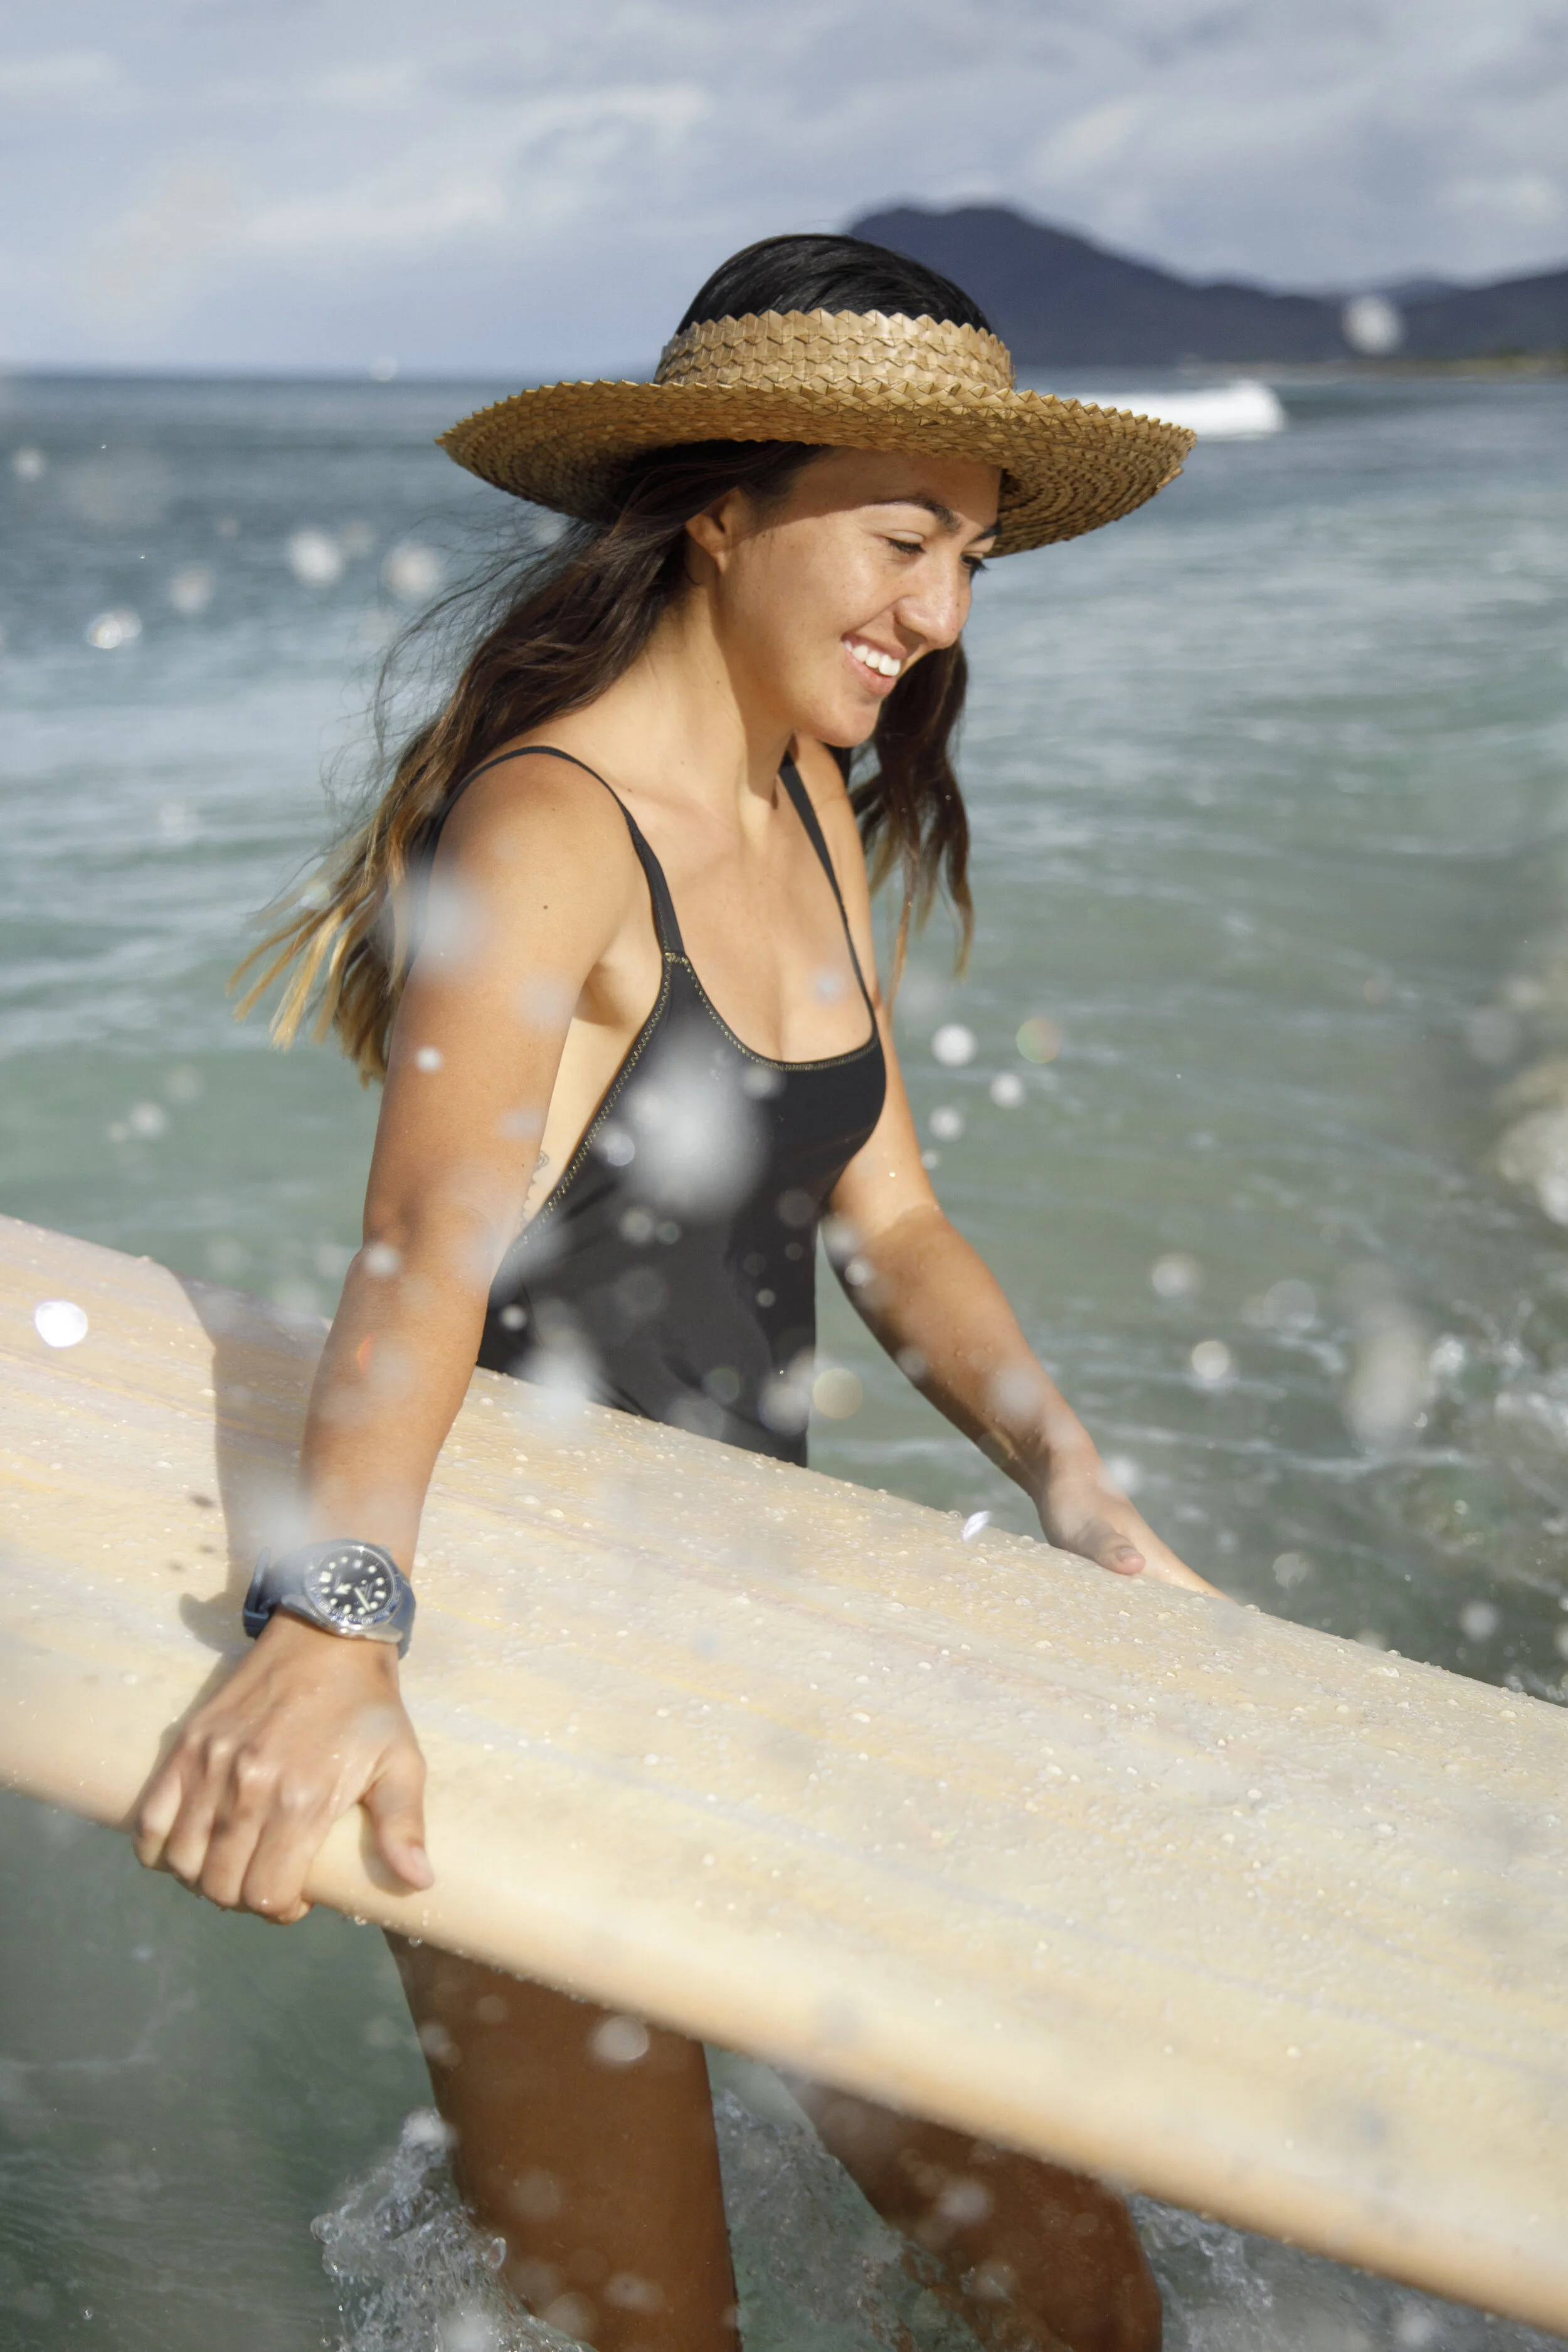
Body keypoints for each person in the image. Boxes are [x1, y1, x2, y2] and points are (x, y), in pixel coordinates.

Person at [134, 233, 1212, 2352]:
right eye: (900, 538)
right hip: (513, 1648)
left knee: (1073, 2290)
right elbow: (423, 1252)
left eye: (976, 558)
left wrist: (1078, 1485)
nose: (937, 612)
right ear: (718, 507)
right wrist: (335, 1623)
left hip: (742, 1621)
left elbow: (889, 1219)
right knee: (648, 2336)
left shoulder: (805, 794)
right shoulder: (543, 826)